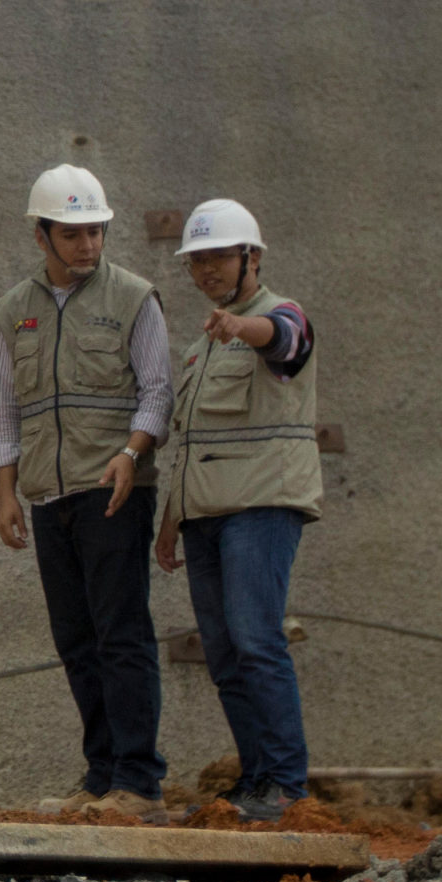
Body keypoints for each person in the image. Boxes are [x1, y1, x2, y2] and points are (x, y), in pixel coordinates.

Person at [0, 165, 173, 821]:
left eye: (96, 231)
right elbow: (8, 410)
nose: (88, 245)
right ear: (40, 236)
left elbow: (158, 392)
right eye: (72, 234)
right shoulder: (14, 311)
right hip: (48, 496)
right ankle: (102, 777)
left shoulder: (134, 297)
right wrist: (7, 492)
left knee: (121, 634)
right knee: (76, 639)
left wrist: (131, 454)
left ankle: (139, 783)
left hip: (113, 489)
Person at [154, 198, 319, 822]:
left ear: (251, 257)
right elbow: (193, 441)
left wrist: (242, 327)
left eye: (219, 257)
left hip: (261, 505)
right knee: (224, 654)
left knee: (256, 639)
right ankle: (256, 783)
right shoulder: (202, 348)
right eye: (196, 262)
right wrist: (171, 520)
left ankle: (286, 785)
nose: (206, 271)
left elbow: (285, 339)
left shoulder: (280, 314)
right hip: (205, 515)